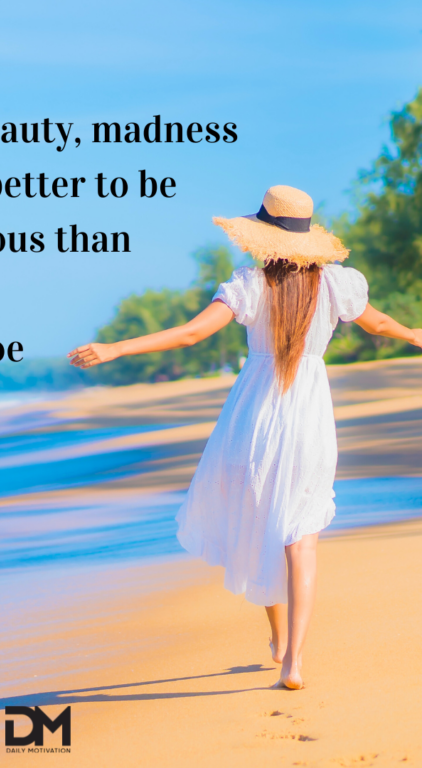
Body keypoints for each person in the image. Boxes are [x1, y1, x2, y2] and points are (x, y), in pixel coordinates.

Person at [67, 185, 422, 690]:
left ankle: (278, 640)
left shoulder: (249, 285)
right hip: (310, 419)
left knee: (263, 527)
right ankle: (292, 660)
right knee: (301, 538)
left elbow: (191, 334)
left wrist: (118, 348)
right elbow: (378, 323)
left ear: (263, 236)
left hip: (253, 419)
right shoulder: (339, 285)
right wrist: (413, 335)